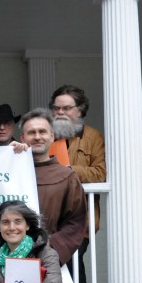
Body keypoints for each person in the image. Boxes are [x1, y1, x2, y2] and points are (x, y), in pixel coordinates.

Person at [49, 85, 107, 283]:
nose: (60, 112)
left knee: (73, 269)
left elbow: (100, 172)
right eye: (56, 108)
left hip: (79, 217)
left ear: (80, 111)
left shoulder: (93, 137)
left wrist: (69, 170)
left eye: (66, 108)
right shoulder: (45, 134)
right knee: (51, 270)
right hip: (49, 216)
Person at [20, 109, 88, 266]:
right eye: (31, 133)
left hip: (48, 256)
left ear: (52, 136)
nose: (37, 137)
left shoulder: (67, 177)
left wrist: (48, 246)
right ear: (23, 138)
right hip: (9, 256)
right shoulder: (9, 173)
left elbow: (76, 222)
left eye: (42, 132)